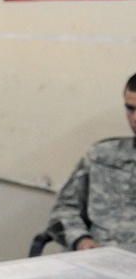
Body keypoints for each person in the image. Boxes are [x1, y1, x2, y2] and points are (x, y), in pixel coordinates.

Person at [46, 73, 136, 250]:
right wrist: (81, 240)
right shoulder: (103, 156)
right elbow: (63, 210)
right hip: (97, 260)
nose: (134, 119)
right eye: (130, 108)